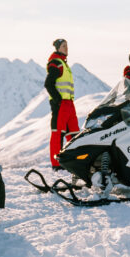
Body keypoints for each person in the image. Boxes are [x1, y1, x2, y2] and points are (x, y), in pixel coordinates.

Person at [46, 38, 78, 170]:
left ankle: (74, 162)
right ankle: (57, 164)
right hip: (61, 104)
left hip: (69, 104)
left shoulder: (64, 64)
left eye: (67, 46)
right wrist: (58, 100)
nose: (66, 48)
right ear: (57, 48)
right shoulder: (56, 63)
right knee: (58, 132)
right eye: (63, 46)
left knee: (74, 133)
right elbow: (48, 84)